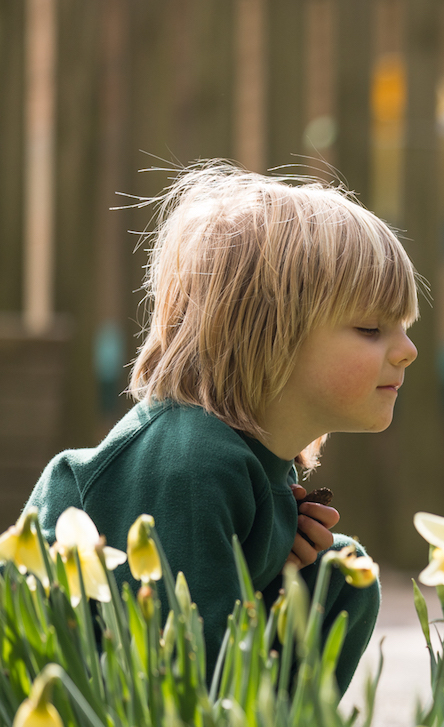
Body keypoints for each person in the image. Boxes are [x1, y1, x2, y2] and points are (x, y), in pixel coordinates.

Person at [22, 162, 418, 691]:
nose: (407, 352)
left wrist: (275, 561)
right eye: (371, 328)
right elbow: (183, 669)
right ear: (267, 333)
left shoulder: (256, 466)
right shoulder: (191, 461)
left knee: (343, 577)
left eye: (404, 328)